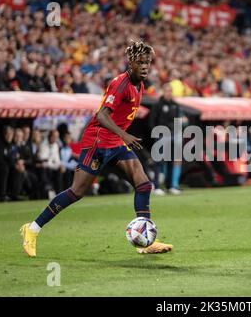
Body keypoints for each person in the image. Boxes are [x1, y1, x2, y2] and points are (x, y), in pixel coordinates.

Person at [20, 41, 173, 257]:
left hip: (115, 143)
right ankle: (32, 229)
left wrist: (120, 137)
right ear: (130, 63)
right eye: (140, 62)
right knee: (77, 192)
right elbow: (102, 115)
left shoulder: (139, 85)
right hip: (98, 142)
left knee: (143, 184)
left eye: (148, 62)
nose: (145, 66)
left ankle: (145, 242)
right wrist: (123, 134)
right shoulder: (120, 84)